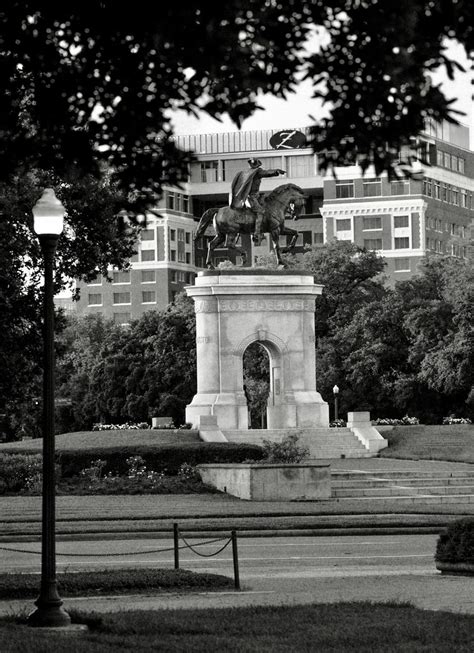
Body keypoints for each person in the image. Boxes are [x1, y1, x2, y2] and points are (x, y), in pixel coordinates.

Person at [229, 158, 285, 244]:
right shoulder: (256, 172)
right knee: (261, 211)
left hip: (253, 196)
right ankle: (257, 233)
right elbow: (267, 173)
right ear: (257, 165)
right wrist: (276, 171)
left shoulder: (245, 173)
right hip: (251, 198)